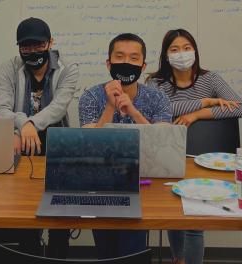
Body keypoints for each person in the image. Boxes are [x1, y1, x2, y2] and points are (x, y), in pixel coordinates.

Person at [147, 28, 242, 264]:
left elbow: (240, 108)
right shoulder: (156, 82)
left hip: (206, 161)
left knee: (195, 220)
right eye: (174, 49)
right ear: (165, 55)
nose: (181, 54)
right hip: (167, 157)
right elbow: (157, 110)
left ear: (195, 51)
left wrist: (199, 114)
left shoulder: (210, 79)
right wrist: (206, 101)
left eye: (186, 48)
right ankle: (178, 259)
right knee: (173, 214)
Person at [0, 17, 79, 258]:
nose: (32, 51)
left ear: (50, 42)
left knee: (60, 218)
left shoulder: (68, 69)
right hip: (20, 143)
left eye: (38, 45)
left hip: (57, 143)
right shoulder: (10, 67)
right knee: (24, 213)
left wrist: (30, 123)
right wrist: (23, 125)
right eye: (26, 46)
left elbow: (59, 108)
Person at [78, 33, 172, 258]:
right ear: (109, 63)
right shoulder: (90, 96)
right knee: (106, 252)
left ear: (143, 65)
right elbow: (90, 148)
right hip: (101, 183)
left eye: (133, 58)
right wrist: (110, 107)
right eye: (120, 57)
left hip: (146, 182)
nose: (126, 63)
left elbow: (163, 148)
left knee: (133, 250)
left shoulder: (158, 98)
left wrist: (133, 111)